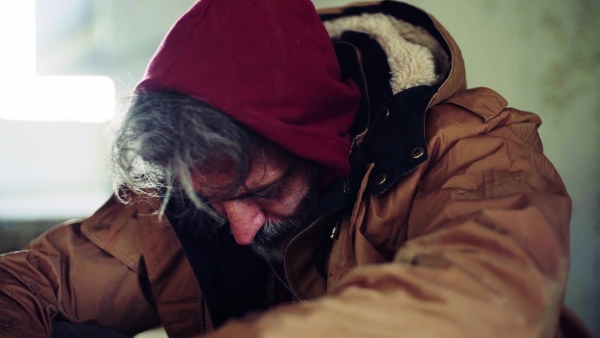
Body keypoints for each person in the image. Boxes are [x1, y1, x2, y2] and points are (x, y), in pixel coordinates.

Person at [0, 0, 592, 337]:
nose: (238, 227)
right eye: (213, 202)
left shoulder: (475, 151)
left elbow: (483, 300)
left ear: (325, 138)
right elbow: (41, 280)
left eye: (263, 191)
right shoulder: (192, 181)